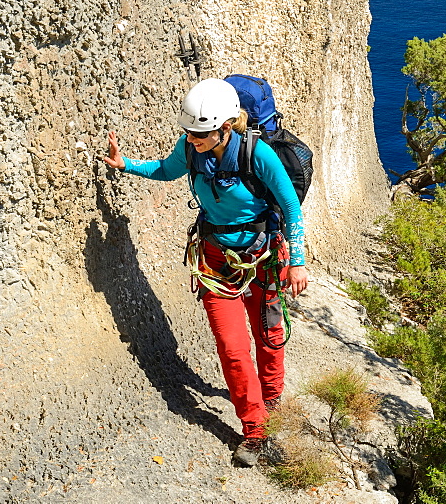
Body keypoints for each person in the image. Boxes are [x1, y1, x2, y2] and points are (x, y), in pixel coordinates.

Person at [102, 78, 309, 466]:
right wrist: (126, 164)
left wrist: (296, 261)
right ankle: (255, 428)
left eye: (199, 134)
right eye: (188, 133)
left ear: (226, 127)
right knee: (232, 348)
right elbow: (166, 170)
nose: (191, 140)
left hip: (263, 258)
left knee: (268, 334)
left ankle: (273, 394)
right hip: (215, 260)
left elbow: (291, 208)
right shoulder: (192, 149)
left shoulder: (259, 155)